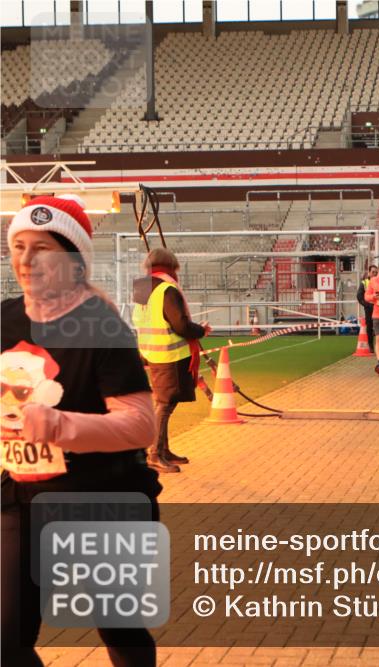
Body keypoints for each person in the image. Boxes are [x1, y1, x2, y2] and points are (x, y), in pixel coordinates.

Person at [2, 195, 159, 666]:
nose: (27, 260)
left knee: (120, 631)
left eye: (43, 249)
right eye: (18, 246)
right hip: (20, 496)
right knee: (6, 640)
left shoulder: (100, 326)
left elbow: (141, 424)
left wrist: (59, 424)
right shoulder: (5, 317)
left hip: (99, 498)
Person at [131, 247, 211, 474]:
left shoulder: (142, 288)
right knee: (165, 404)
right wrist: (201, 331)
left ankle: (163, 450)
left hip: (150, 351)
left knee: (165, 403)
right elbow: (181, 325)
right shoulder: (167, 289)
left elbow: (141, 319)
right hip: (169, 354)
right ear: (172, 266)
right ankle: (154, 454)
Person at [356, 265, 378, 354]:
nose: (375, 274)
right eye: (373, 272)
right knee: (370, 327)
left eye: (376, 272)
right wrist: (366, 305)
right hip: (369, 309)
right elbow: (359, 296)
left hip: (378, 308)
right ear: (369, 273)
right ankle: (371, 346)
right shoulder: (364, 283)